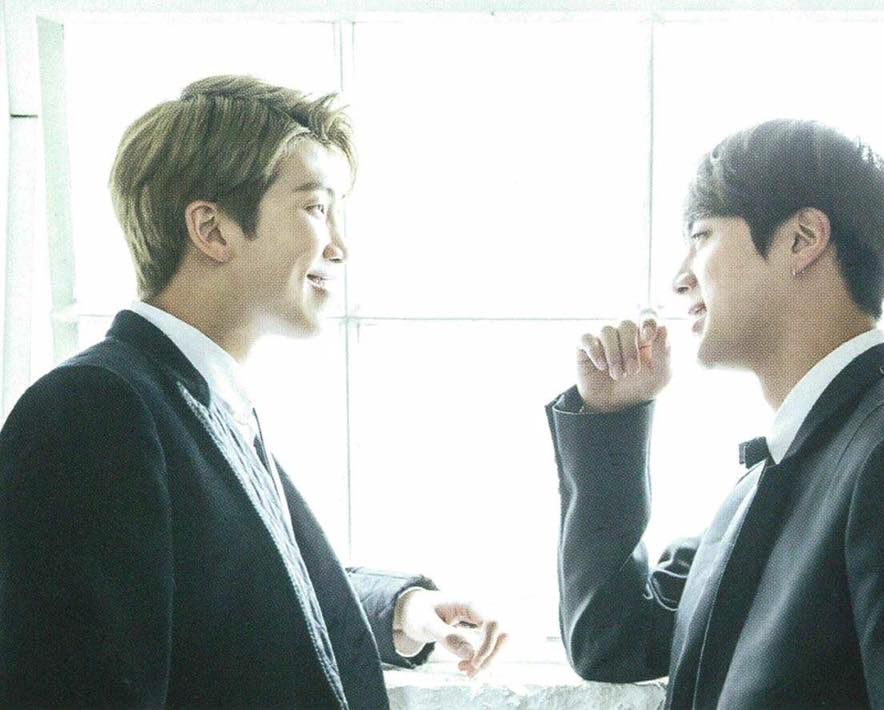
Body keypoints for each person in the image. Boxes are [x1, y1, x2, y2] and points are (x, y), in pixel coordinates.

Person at [0, 75, 505, 708]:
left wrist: (402, 610)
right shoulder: (92, 411)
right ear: (212, 230)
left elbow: (228, 592)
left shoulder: (198, 398)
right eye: (315, 208)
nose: (340, 247)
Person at [546, 119, 884, 708]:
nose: (681, 278)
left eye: (702, 236)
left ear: (802, 239)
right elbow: (610, 640)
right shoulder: (767, 479)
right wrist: (611, 419)